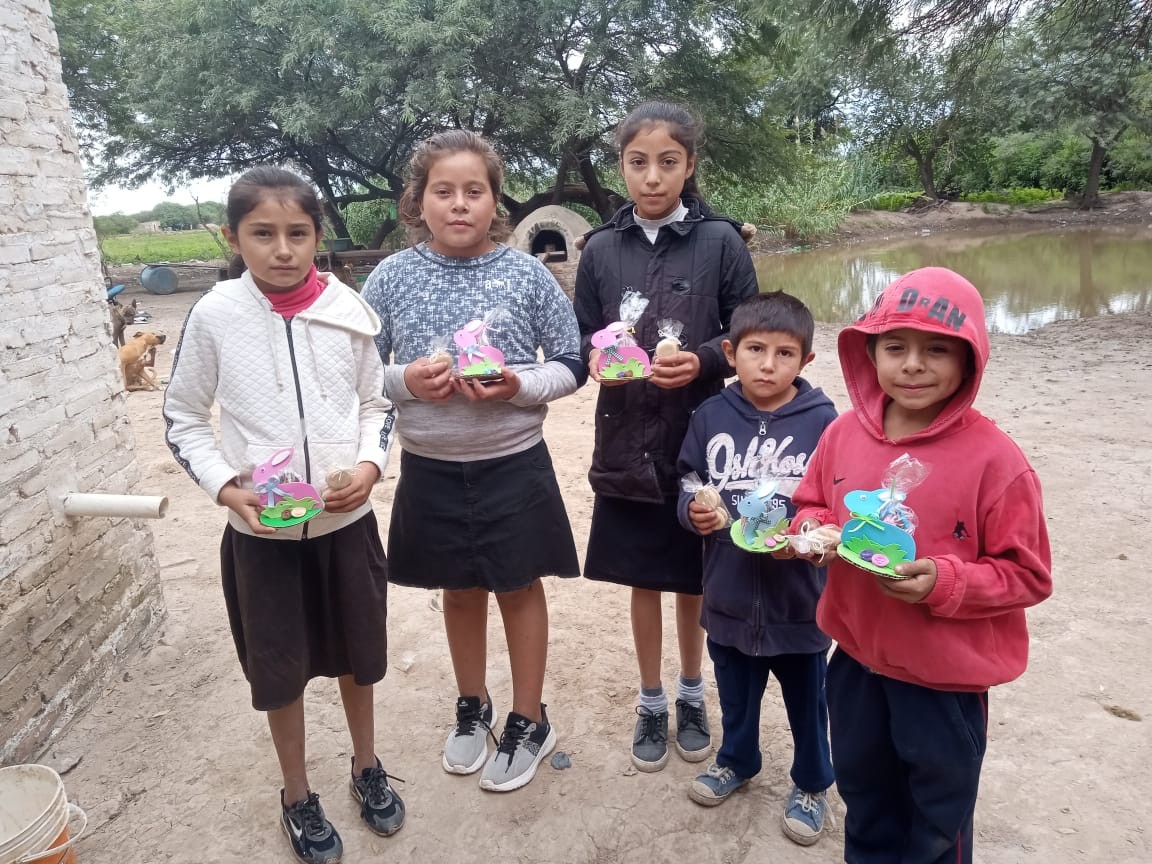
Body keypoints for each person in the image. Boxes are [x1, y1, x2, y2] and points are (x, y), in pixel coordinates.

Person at [163, 167, 404, 864]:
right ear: (234, 237)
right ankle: (297, 794)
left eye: (298, 233)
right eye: (262, 234)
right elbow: (183, 418)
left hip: (344, 527)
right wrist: (225, 489)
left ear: (318, 236)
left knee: (359, 658)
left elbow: (377, 405)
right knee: (279, 668)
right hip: (261, 537)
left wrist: (368, 467)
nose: (282, 249)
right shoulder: (216, 315)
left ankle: (366, 765)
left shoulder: (349, 310)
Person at [789, 267, 1053, 863]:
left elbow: (1029, 574)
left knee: (937, 827)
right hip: (855, 663)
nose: (912, 365)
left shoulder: (997, 462)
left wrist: (947, 581)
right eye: (895, 347)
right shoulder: (841, 435)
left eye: (937, 349)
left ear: (969, 359)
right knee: (865, 803)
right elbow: (811, 503)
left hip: (943, 684)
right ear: (869, 352)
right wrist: (812, 532)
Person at [361, 130, 584, 793]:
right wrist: (406, 381)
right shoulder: (390, 276)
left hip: (513, 463)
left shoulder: (527, 274)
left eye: (474, 191)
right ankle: (473, 704)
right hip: (429, 466)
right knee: (458, 590)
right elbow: (358, 371)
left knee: (518, 586)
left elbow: (571, 363)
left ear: (495, 202)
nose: (459, 204)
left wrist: (519, 385)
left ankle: (529, 717)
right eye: (443, 191)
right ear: (417, 201)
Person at [573, 101, 759, 771]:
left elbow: (749, 332)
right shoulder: (600, 249)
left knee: (693, 576)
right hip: (625, 438)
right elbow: (582, 335)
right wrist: (597, 358)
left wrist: (705, 360)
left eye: (668, 162)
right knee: (642, 578)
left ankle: (691, 690)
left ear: (690, 165)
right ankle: (651, 699)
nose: (652, 176)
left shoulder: (722, 242)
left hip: (699, 437)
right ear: (621, 167)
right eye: (638, 162)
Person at [675, 291, 837, 845]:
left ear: (806, 359)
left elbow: (835, 502)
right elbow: (689, 480)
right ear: (730, 352)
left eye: (785, 353)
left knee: (808, 703)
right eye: (755, 350)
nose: (768, 365)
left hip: (801, 602)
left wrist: (812, 537)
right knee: (736, 695)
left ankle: (812, 781)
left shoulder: (825, 423)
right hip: (727, 595)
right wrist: (692, 510)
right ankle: (736, 759)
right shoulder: (710, 415)